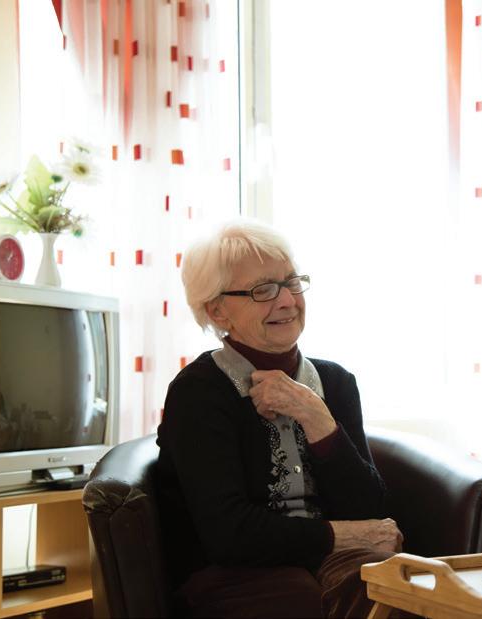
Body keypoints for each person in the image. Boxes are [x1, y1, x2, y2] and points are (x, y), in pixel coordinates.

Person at [156, 219, 402, 618]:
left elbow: (369, 508)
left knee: (387, 582)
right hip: (230, 573)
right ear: (218, 311)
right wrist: (343, 534)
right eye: (263, 290)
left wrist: (315, 415)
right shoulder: (198, 392)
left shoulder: (336, 382)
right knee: (299, 598)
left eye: (291, 282)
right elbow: (228, 536)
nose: (287, 300)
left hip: (329, 562)